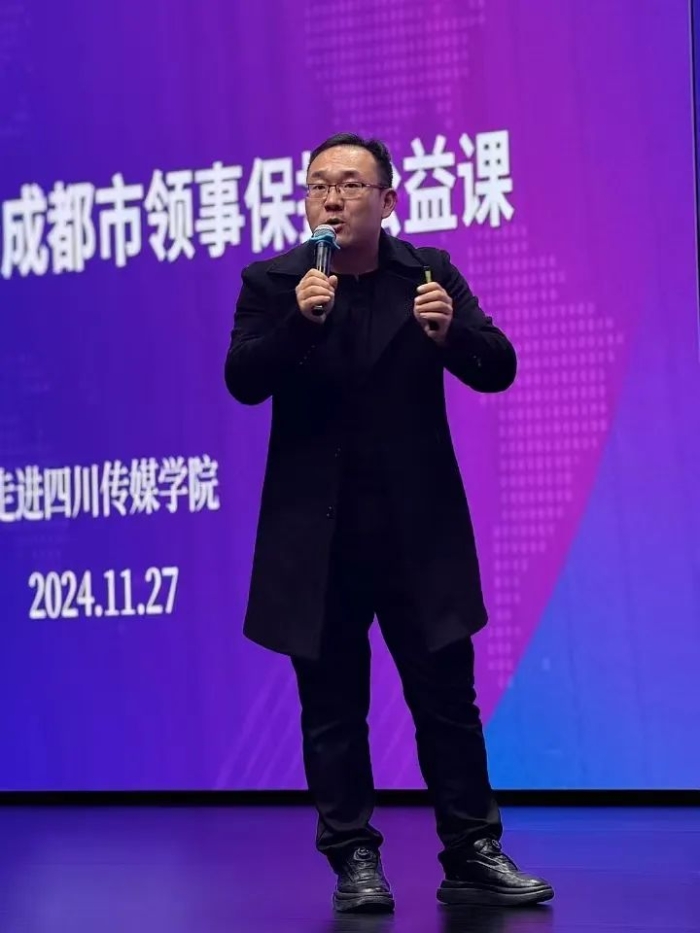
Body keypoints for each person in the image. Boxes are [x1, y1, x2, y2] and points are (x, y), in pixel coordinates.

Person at [224, 133, 554, 913]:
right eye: (318, 185)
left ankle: (472, 850)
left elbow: (498, 365)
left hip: (417, 533)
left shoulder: (428, 274)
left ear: (387, 200)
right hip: (318, 539)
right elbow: (243, 379)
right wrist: (298, 323)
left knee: (446, 702)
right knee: (333, 709)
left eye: (349, 183)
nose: (331, 198)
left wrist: (452, 334)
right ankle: (354, 859)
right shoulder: (275, 283)